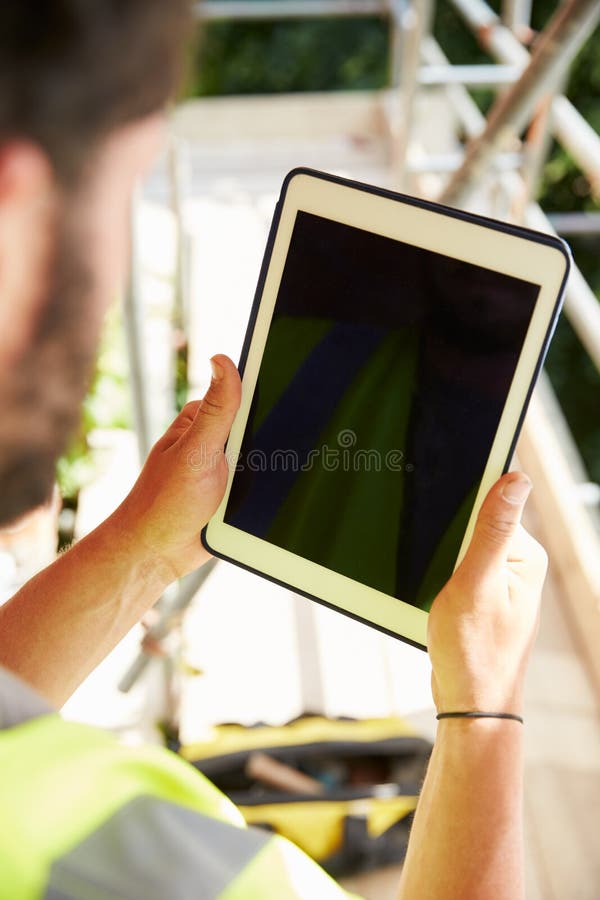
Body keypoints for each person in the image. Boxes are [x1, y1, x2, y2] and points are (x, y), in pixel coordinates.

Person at [0, 3, 547, 898]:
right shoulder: (120, 865)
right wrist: (484, 712)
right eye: (119, 193)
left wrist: (143, 546)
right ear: (15, 212)